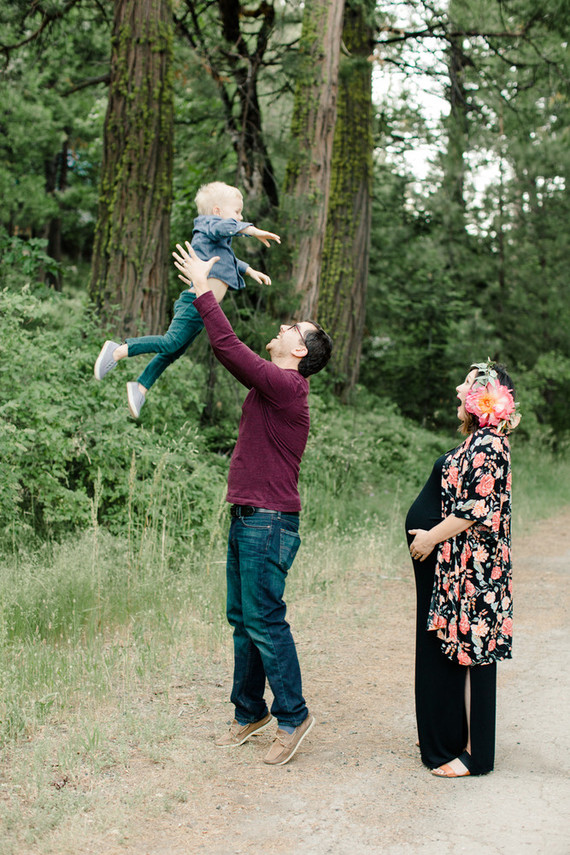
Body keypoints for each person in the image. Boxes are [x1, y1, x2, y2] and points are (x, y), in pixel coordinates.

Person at [172, 241, 333, 766]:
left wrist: (203, 287)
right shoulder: (275, 386)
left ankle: (294, 715)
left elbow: (228, 347)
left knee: (264, 620)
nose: (285, 327)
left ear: (301, 351)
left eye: (294, 327)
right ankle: (249, 714)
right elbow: (233, 350)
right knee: (243, 619)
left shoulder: (288, 386)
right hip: (250, 517)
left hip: (269, 522)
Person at [406, 360, 520, 777]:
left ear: (483, 398)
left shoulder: (491, 445)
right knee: (463, 649)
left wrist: (430, 537)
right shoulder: (478, 441)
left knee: (479, 656)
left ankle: (478, 756)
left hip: (480, 571)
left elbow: (476, 508)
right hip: (461, 565)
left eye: (467, 385)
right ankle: (452, 735)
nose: (458, 390)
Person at [94, 181, 280, 418]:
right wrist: (251, 230)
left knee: (174, 351)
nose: (240, 216)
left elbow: (228, 258)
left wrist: (249, 270)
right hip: (194, 304)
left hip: (201, 312)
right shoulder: (208, 225)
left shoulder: (218, 241)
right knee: (170, 342)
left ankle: (140, 387)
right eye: (237, 212)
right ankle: (118, 350)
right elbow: (225, 227)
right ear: (217, 212)